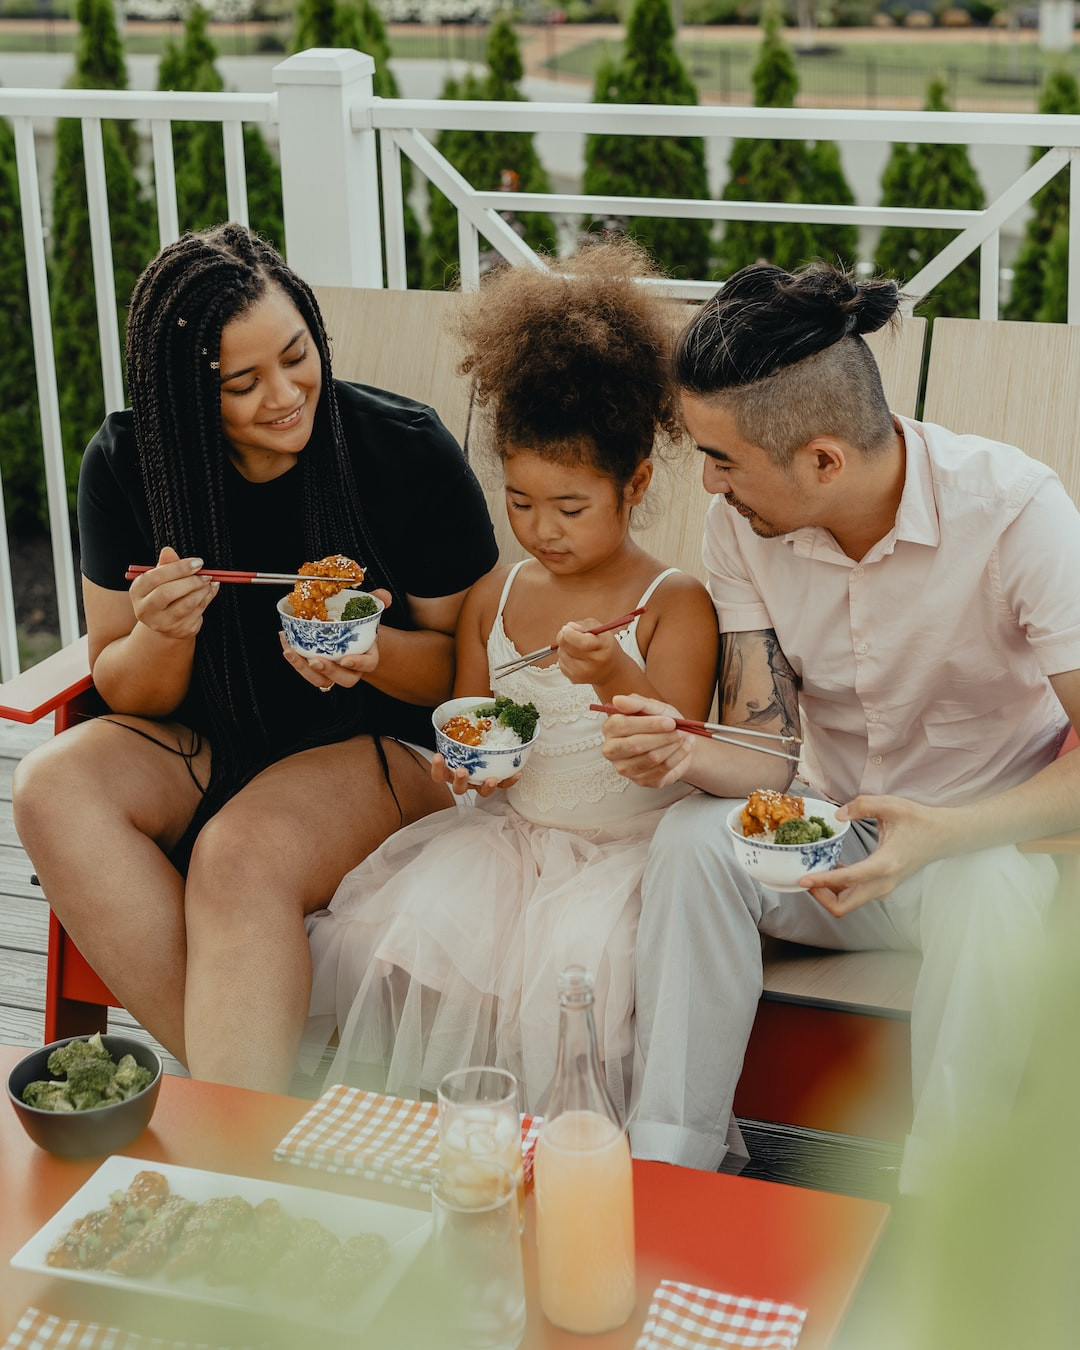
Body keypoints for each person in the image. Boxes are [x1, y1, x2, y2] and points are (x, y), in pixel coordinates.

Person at [598, 260, 1080, 1194]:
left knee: (991, 888)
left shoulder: (1017, 515)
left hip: (971, 852)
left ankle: (945, 1207)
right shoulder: (743, 529)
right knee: (692, 840)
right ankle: (669, 1171)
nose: (709, 484)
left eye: (723, 459)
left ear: (824, 460)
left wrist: (949, 833)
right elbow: (765, 754)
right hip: (822, 842)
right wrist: (682, 745)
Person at [12, 223, 499, 1093]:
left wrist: (371, 652)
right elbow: (123, 686)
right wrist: (163, 633)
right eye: (242, 383)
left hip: (383, 747)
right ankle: (253, 1101)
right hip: (213, 739)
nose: (284, 395)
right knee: (49, 785)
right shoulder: (127, 466)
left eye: (297, 354)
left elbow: (464, 677)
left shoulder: (402, 450)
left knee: (236, 852)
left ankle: (238, 1126)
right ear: (185, 398)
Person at [304, 240, 719, 1116]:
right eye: (520, 503)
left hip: (621, 862)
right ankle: (441, 1142)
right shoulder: (496, 593)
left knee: (572, 973)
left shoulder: (672, 602)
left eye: (570, 507)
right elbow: (472, 716)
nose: (542, 530)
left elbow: (678, 749)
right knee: (409, 935)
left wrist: (613, 670)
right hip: (504, 843)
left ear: (636, 483)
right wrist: (466, 766)